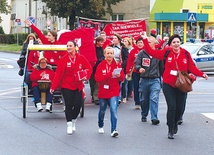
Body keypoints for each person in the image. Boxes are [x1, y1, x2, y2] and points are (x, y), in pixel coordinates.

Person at [140, 32, 208, 139]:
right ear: (170, 44)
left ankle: (175, 122)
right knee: (172, 106)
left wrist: (202, 74)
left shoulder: (186, 54)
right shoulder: (166, 52)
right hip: (168, 84)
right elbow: (151, 52)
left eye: (178, 42)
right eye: (174, 42)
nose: (176, 44)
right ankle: (170, 128)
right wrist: (144, 39)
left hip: (181, 85)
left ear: (180, 43)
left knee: (180, 108)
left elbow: (193, 68)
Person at [50, 40, 92, 135]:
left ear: (75, 47)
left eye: (70, 45)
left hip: (78, 85)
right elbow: (58, 74)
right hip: (66, 85)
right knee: (68, 105)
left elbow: (89, 68)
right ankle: (69, 124)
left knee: (78, 104)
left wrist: (86, 76)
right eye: (67, 46)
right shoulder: (64, 59)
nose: (68, 47)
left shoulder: (81, 58)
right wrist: (53, 87)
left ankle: (73, 120)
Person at [95, 46, 125, 137]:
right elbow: (97, 79)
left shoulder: (117, 65)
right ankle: (100, 124)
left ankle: (114, 130)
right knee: (102, 110)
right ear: (104, 54)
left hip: (114, 91)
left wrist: (119, 75)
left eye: (111, 53)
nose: (109, 55)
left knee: (113, 109)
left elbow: (122, 78)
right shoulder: (100, 65)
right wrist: (109, 74)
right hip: (103, 91)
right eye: (107, 53)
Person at [135, 36, 162, 125]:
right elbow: (136, 63)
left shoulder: (158, 54)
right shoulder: (142, 53)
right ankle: (144, 114)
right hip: (144, 79)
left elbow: (162, 67)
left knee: (154, 98)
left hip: (155, 79)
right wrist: (139, 69)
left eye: (150, 42)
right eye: (147, 42)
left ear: (155, 43)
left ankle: (154, 117)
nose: (148, 43)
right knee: (144, 99)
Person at [126, 37, 144, 109]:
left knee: (143, 88)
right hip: (135, 71)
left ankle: (143, 101)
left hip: (144, 72)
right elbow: (129, 61)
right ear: (136, 43)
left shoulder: (146, 50)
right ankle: (137, 102)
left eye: (141, 43)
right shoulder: (133, 51)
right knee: (136, 87)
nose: (140, 44)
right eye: (138, 43)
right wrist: (128, 71)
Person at [111, 34, 129, 103]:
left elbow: (126, 58)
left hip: (119, 67)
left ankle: (118, 96)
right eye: (113, 38)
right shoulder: (110, 47)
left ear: (118, 40)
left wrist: (122, 65)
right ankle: (113, 96)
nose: (113, 39)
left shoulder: (123, 48)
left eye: (115, 38)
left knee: (119, 82)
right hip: (111, 66)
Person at [89, 36, 105, 105]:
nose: (102, 43)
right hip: (93, 67)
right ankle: (93, 95)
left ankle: (96, 97)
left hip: (99, 68)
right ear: (97, 42)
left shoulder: (102, 49)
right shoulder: (93, 49)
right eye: (101, 42)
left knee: (97, 83)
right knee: (92, 83)